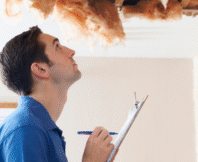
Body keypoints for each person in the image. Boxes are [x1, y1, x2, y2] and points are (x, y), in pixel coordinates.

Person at [0, 26, 116, 162]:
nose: (72, 52)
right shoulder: (27, 128)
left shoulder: (41, 129)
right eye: (57, 47)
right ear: (40, 69)